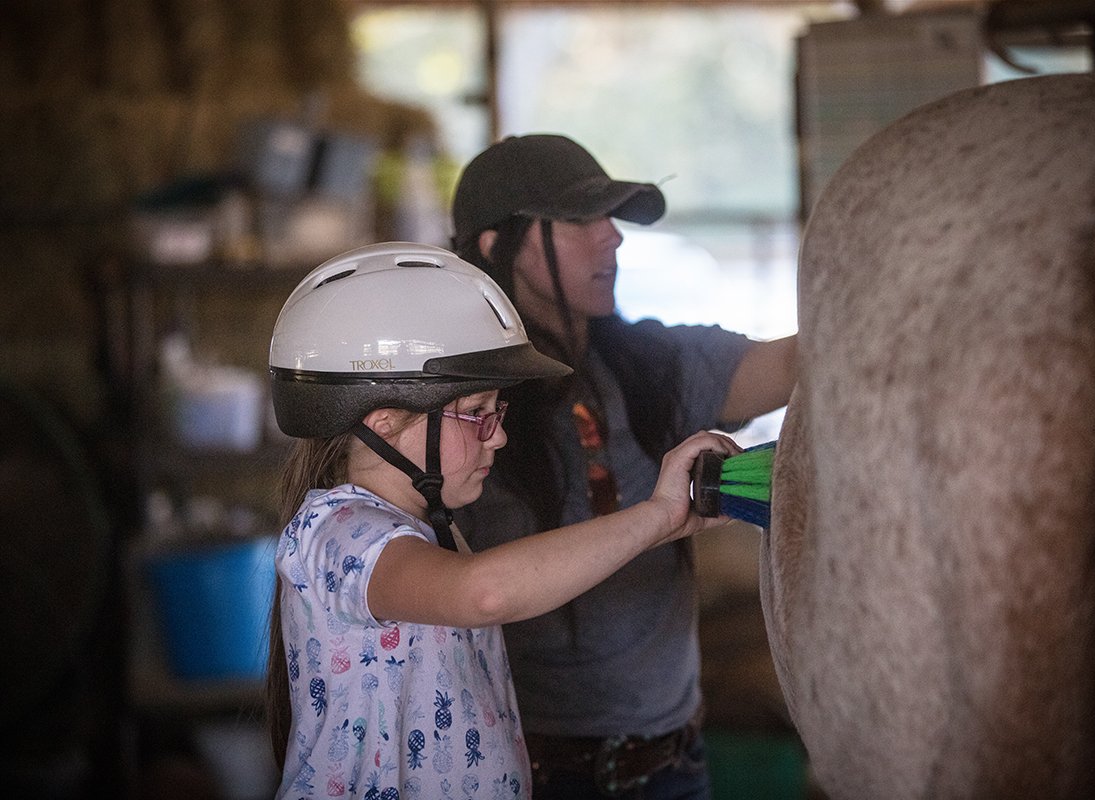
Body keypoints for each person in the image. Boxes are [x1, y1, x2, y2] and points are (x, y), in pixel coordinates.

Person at [263, 241, 738, 800]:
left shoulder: (433, 532)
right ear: (385, 422)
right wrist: (655, 517)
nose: (501, 436)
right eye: (478, 415)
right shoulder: (339, 533)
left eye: (498, 412)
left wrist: (665, 525)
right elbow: (484, 592)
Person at [449, 134, 798, 799]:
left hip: (674, 765)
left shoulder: (648, 366)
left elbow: (786, 367)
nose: (611, 238)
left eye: (609, 219)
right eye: (581, 221)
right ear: (496, 246)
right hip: (531, 775)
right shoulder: (461, 412)